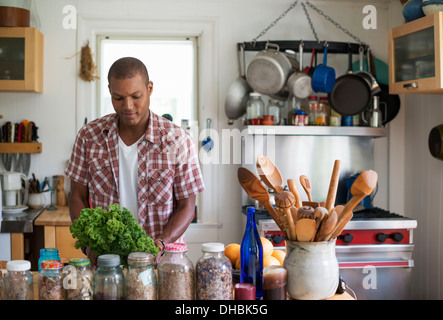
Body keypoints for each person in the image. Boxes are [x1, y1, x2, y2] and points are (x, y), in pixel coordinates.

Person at [65, 57, 205, 264]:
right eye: (118, 98)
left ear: (149, 88)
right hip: (107, 260)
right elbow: (77, 196)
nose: (127, 106)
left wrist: (161, 242)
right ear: (110, 92)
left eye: (136, 96)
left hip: (165, 258)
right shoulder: (89, 137)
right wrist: (88, 244)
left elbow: (187, 206)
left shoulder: (178, 140)